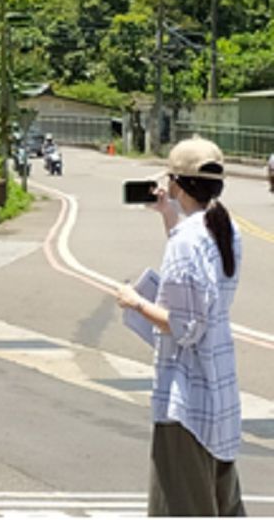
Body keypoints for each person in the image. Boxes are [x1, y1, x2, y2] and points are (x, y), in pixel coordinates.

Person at [116, 137, 245, 516]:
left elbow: (184, 325)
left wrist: (135, 302)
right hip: (219, 392)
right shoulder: (224, 229)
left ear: (176, 183)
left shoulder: (186, 243)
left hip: (186, 396)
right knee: (222, 504)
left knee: (181, 507)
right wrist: (167, 215)